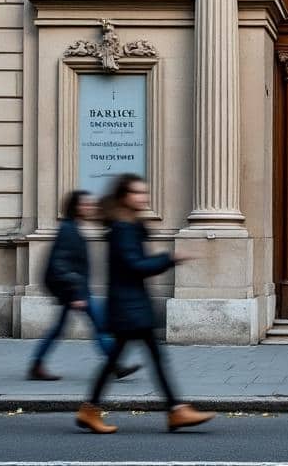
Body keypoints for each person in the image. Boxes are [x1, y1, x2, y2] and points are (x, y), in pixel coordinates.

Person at [76, 174, 212, 434]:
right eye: (137, 193)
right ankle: (175, 410)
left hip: (130, 303)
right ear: (124, 197)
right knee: (142, 358)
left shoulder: (128, 225)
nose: (143, 197)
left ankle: (93, 409)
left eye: (144, 192)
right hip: (129, 305)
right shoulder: (123, 228)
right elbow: (135, 266)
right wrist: (169, 258)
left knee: (134, 358)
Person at [30, 190, 139, 382]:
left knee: (61, 328)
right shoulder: (68, 230)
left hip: (76, 290)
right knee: (100, 325)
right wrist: (75, 294)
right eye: (85, 204)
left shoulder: (73, 227)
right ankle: (115, 364)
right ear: (76, 207)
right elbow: (60, 264)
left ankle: (37, 364)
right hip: (76, 291)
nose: (89, 207)